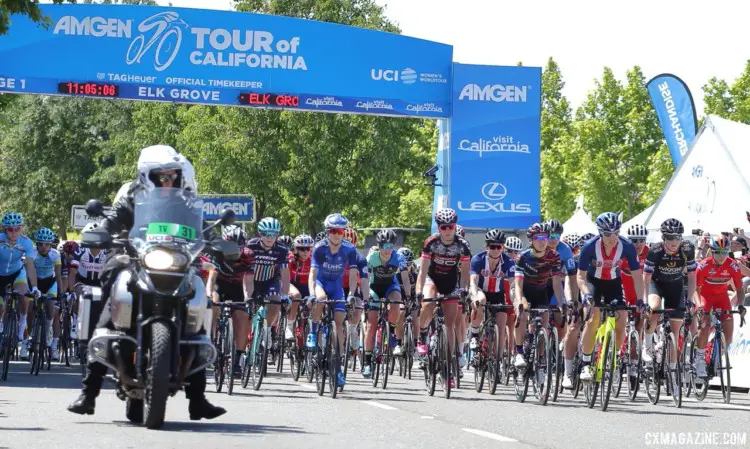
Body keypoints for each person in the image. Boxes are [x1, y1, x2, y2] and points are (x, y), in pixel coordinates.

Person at [67, 144, 225, 420]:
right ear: (147, 175)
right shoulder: (131, 193)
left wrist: (215, 242)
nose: (167, 180)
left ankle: (198, 399)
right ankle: (88, 393)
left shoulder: (186, 198)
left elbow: (201, 228)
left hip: (177, 259)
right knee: (112, 294)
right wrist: (105, 232)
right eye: (161, 176)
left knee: (197, 311)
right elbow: (114, 219)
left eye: (172, 175)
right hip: (133, 256)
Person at [576, 212, 643, 383]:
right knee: (593, 318)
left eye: (615, 233)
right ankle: (585, 363)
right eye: (607, 234)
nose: (612, 237)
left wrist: (641, 299)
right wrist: (586, 294)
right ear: (600, 232)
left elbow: (637, 276)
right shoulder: (589, 247)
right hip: (593, 283)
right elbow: (580, 277)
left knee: (622, 321)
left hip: (613, 282)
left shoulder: (626, 246)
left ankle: (613, 358)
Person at [415, 208, 472, 388]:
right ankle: (423, 334)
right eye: (444, 227)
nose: (447, 230)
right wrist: (418, 291)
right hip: (433, 279)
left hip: (451, 282)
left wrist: (463, 290)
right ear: (439, 228)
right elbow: (423, 271)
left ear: (455, 226)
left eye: (451, 227)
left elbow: (465, 273)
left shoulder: (463, 245)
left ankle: (448, 367)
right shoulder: (431, 243)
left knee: (450, 324)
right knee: (428, 302)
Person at [308, 213, 360, 387]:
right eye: (333, 231)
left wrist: (351, 293)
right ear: (328, 231)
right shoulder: (319, 248)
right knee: (321, 299)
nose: (336, 234)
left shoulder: (349, 249)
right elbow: (313, 274)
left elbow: (353, 275)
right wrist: (311, 294)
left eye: (340, 231)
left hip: (337, 287)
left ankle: (337, 367)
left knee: (338, 324)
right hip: (321, 283)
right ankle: (314, 332)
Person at [694, 235, 746, 381]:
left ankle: (713, 351)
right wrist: (699, 306)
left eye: (725, 252)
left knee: (728, 336)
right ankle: (699, 358)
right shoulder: (703, 265)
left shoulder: (733, 265)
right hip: (705, 297)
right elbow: (695, 290)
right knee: (704, 325)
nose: (721, 256)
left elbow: (740, 290)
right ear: (712, 251)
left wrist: (740, 304)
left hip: (722, 298)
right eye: (718, 252)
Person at [468, 229, 514, 366]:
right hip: (481, 291)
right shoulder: (478, 259)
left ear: (503, 248)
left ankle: (498, 362)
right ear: (486, 247)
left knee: (500, 328)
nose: (495, 250)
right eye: (492, 246)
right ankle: (475, 335)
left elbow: (513, 284)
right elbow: (473, 281)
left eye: (498, 247)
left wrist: (517, 299)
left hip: (498, 295)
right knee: (481, 300)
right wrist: (474, 296)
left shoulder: (508, 262)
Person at [0, 212, 40, 352]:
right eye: (10, 229)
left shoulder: (26, 242)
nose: (14, 232)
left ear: (22, 228)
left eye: (17, 228)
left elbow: (30, 265)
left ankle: (22, 325)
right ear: (5, 229)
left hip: (17, 273)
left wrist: (34, 287)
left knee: (24, 295)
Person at [31, 227, 64, 361]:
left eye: (47, 244)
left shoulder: (55, 254)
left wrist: (61, 293)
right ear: (37, 244)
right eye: (41, 244)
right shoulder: (32, 253)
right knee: (30, 309)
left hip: (50, 282)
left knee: (50, 306)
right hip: (36, 282)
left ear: (51, 244)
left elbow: (59, 276)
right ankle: (30, 336)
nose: (44, 247)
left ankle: (48, 328)